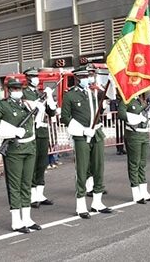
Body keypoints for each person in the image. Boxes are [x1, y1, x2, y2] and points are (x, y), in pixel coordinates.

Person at [0, 77, 41, 233]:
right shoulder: (2, 105)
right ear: (9, 90)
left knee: (26, 184)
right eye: (15, 89)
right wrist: (12, 131)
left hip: (30, 147)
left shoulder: (26, 104)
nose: (18, 91)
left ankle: (27, 217)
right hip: (14, 150)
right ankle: (16, 220)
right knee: (15, 185)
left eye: (20, 88)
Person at [60, 65, 112, 219]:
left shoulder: (94, 92)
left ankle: (97, 202)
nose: (86, 79)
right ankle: (81, 205)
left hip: (96, 133)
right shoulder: (70, 95)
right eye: (83, 77)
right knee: (82, 170)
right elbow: (65, 117)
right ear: (77, 79)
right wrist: (82, 130)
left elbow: (101, 108)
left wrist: (110, 84)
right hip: (81, 135)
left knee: (98, 167)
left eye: (88, 76)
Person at [23, 67, 57, 208]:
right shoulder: (24, 93)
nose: (36, 79)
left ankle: (39, 193)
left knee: (42, 162)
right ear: (28, 78)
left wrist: (49, 97)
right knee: (32, 162)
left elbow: (52, 112)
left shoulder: (40, 93)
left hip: (42, 131)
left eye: (36, 76)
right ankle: (30, 195)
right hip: (32, 131)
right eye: (33, 76)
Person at [118, 93, 150, 204]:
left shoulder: (141, 101)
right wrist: (136, 118)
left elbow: (147, 114)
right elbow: (121, 114)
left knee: (143, 163)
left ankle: (144, 191)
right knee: (134, 163)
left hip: (144, 134)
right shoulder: (126, 100)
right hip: (133, 135)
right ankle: (136, 192)